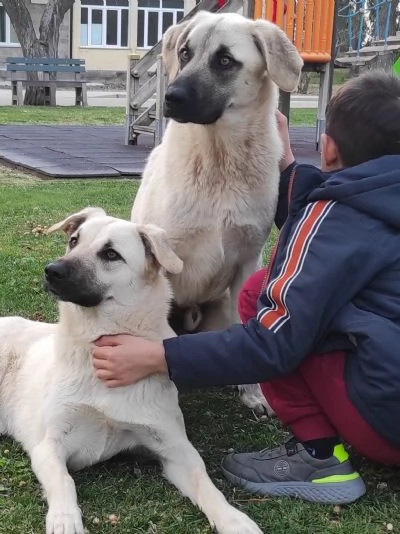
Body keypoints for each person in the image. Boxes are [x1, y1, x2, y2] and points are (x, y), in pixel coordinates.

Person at [92, 70, 400, 504]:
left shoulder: (333, 220)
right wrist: (288, 166)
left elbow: (274, 344)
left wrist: (158, 355)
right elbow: (348, 228)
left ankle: (320, 459)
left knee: (260, 293)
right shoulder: (372, 204)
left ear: (327, 147)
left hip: (385, 425)